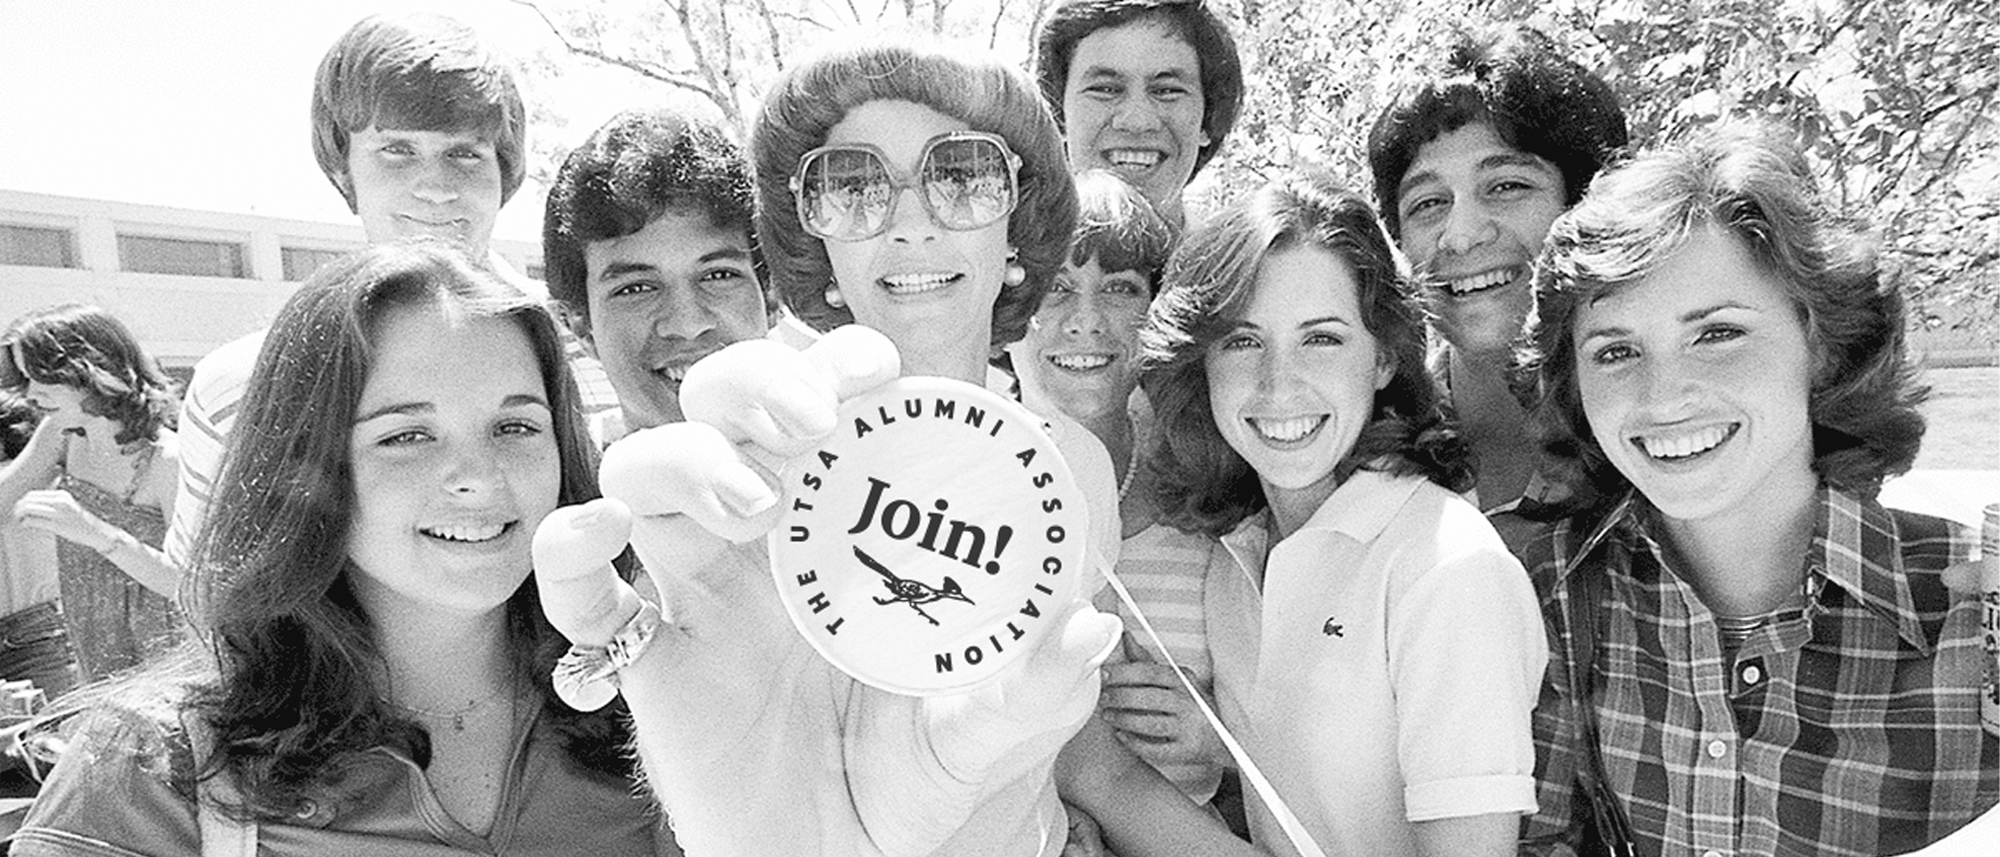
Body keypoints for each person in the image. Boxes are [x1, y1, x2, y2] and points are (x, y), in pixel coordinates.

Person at [526, 35, 1229, 857]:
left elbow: (1068, 749)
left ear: (1017, 225)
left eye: (962, 175)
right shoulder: (759, 478)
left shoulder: (1073, 468)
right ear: (815, 242)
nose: (910, 223)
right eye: (851, 185)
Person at [10, 240, 670, 855]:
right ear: (305, 466)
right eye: (406, 435)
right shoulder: (147, 768)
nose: (478, 474)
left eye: (516, 425)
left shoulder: (659, 715)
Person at [1515, 122, 2000, 857]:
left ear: (1821, 344)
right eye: (1615, 351)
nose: (1664, 397)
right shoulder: (1553, 593)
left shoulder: (1977, 608)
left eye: (1717, 334)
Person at [1080, 173, 1547, 857]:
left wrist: (1099, 777)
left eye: (1321, 339)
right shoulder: (1235, 552)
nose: (1279, 383)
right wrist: (1217, 746)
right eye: (1243, 341)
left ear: (1383, 356)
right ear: (1201, 363)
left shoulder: (1448, 568)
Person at [166, 11, 618, 571]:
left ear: (505, 173)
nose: (435, 188)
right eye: (397, 150)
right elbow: (212, 591)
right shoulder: (240, 385)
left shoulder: (594, 349)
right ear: (343, 171)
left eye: (465, 153)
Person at [1365, 24, 1627, 523]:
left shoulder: (1665, 427)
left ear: (1585, 204)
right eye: (1429, 203)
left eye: (1506, 186)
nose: (1461, 236)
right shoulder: (1365, 450)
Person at [542, 106, 773, 440]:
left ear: (771, 298)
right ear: (580, 326)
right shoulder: (557, 473)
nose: (687, 325)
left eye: (718, 275)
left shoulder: (848, 450)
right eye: (636, 289)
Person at [0, 305, 182, 683]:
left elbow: (187, 585)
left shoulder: (168, 459)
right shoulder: (61, 434)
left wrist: (93, 531)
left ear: (92, 372)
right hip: (91, 642)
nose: (31, 393)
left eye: (42, 379)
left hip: (163, 653)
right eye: (26, 379)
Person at [1006, 170, 1175, 539]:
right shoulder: (958, 483)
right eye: (1056, 286)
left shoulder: (1203, 489)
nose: (1086, 321)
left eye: (1118, 288)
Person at [1034, 0, 1244, 228]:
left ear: (1208, 118)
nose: (1137, 122)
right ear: (1058, 114)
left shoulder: (1246, 250)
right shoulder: (1009, 248)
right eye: (1106, 89)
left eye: (1166, 91)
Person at [0, 392, 79, 699]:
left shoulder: (41, 479)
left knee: (57, 724)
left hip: (38, 635)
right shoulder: (43, 477)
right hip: (40, 631)